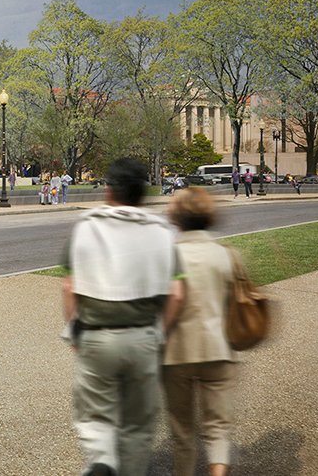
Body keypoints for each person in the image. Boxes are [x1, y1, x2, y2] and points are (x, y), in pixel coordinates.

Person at [60, 157, 183, 476]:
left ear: (109, 191)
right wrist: (160, 332)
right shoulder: (162, 232)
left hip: (97, 333)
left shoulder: (86, 226)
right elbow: (177, 293)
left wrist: (72, 328)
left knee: (95, 415)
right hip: (142, 335)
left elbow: (69, 286)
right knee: (137, 425)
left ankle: (102, 459)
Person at [162, 187, 238, 476]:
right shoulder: (225, 255)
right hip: (218, 348)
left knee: (182, 430)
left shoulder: (168, 256)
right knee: (217, 428)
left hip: (176, 352)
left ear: (176, 219)